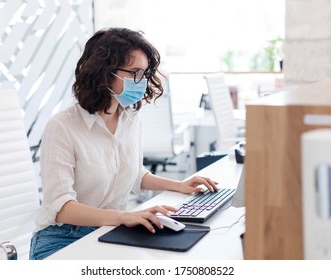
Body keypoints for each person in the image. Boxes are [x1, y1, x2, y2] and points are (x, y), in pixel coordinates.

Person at [29, 27, 218, 260]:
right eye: (135, 73)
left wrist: (180, 185)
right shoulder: (62, 127)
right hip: (62, 239)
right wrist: (124, 217)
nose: (143, 81)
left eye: (146, 73)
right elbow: (62, 208)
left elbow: (134, 175)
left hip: (108, 231)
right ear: (105, 72)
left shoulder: (130, 118)